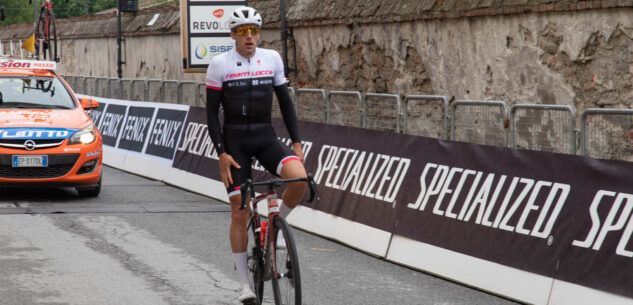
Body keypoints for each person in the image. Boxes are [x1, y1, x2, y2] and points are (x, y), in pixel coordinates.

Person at [205, 6, 307, 304]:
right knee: (239, 209)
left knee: (299, 178)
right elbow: (212, 113)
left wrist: (297, 143)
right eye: (241, 32)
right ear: (232, 35)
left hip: (264, 136)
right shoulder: (219, 64)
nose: (248, 36)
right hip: (234, 140)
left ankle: (273, 230)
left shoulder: (271, 58)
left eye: (253, 31)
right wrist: (221, 153)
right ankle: (244, 285)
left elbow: (286, 104)